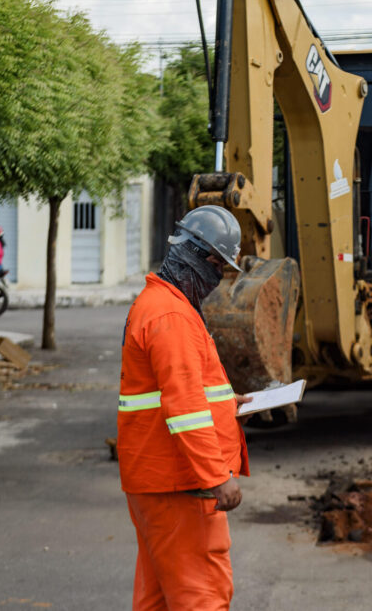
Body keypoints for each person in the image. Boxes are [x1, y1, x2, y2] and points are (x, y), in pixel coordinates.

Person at [117, 205, 252, 611]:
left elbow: (179, 392)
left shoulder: (159, 305)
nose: (217, 277)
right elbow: (185, 406)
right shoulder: (172, 315)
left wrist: (227, 404)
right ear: (197, 257)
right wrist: (216, 476)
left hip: (158, 482)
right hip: (180, 485)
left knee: (158, 598)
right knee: (201, 597)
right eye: (218, 266)